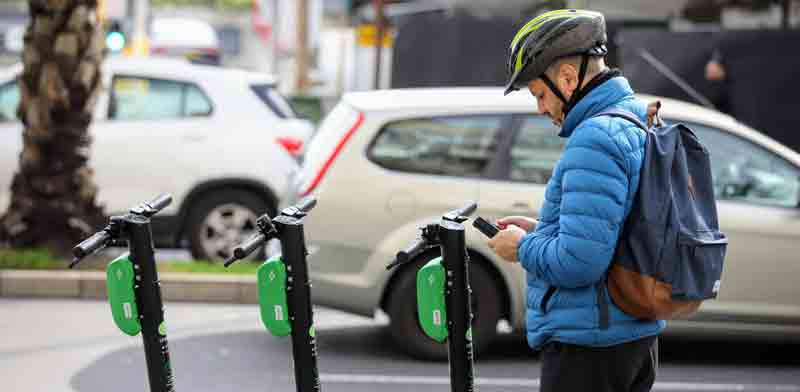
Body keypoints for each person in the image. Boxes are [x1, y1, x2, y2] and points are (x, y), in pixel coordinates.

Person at [488, 9, 665, 392]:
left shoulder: (595, 139)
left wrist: (521, 247)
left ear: (567, 78)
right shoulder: (633, 118)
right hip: (631, 336)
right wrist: (539, 230)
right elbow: (615, 231)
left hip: (590, 347)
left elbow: (579, 263)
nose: (540, 108)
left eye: (539, 93)